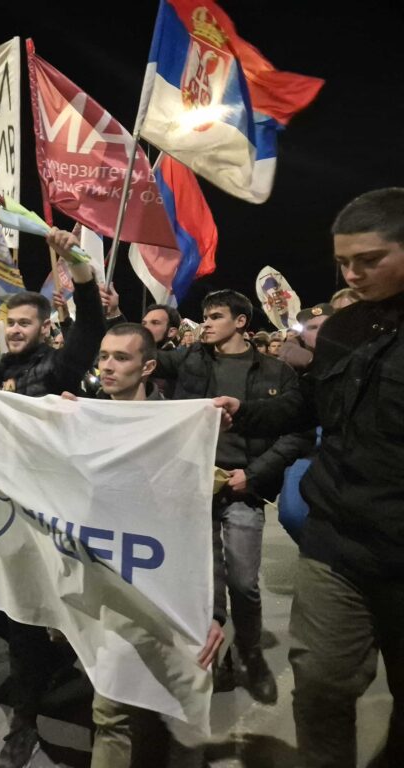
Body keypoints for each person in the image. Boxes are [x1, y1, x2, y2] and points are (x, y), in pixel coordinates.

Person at [215, 188, 404, 768]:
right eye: (343, 261)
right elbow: (305, 410)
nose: (352, 272)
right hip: (334, 543)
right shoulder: (345, 329)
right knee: (320, 684)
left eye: (368, 260)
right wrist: (243, 409)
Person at [0, 228, 105, 768]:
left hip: (58, 513)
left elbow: (91, 325)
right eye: (10, 323)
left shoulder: (60, 366)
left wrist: (79, 268)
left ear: (44, 327)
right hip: (8, 515)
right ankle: (25, 718)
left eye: (25, 323)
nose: (16, 330)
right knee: (17, 616)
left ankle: (99, 704)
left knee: (71, 609)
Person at [76, 324, 226, 768]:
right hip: (115, 590)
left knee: (179, 714)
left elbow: (200, 524)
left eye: (121, 357)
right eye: (103, 355)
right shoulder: (84, 422)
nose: (107, 365)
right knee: (111, 712)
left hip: (172, 592)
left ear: (147, 367)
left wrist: (214, 610)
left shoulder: (177, 428)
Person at [154, 290, 312, 705]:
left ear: (241, 322)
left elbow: (295, 432)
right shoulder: (189, 360)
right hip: (193, 489)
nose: (205, 323)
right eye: (204, 316)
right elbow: (135, 353)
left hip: (245, 489)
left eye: (216, 316)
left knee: (244, 582)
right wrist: (109, 310)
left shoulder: (276, 372)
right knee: (208, 583)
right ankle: (220, 655)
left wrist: (254, 475)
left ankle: (250, 652)